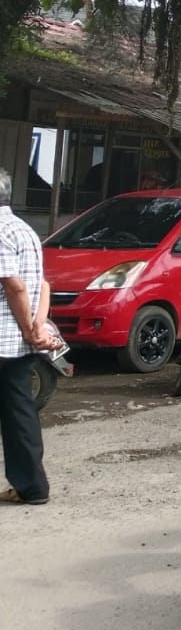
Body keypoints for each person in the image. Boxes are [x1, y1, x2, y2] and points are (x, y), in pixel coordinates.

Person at [0, 169, 51, 505]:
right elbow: (43, 285)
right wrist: (37, 327)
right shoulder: (23, 228)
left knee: (18, 414)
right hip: (19, 341)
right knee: (20, 413)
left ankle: (30, 486)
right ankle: (31, 486)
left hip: (4, 337)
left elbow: (14, 285)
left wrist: (26, 327)